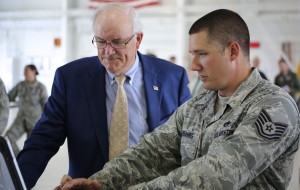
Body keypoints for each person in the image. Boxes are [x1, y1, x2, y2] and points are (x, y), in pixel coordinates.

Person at [56, 9, 300, 190]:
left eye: (202, 55)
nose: (193, 66)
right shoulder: (199, 105)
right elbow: (151, 152)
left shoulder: (274, 107)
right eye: (193, 55)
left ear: (233, 51)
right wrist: (99, 182)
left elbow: (218, 175)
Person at [17, 3, 191, 189]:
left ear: (138, 39)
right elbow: (43, 140)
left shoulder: (172, 78)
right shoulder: (71, 79)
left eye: (117, 42)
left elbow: (188, 142)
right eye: (100, 41)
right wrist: (14, 184)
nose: (108, 51)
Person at [5, 64, 48, 155]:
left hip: (35, 123)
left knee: (31, 146)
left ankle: (27, 163)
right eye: (24, 71)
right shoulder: (20, 85)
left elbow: (47, 107)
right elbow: (9, 97)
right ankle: (18, 160)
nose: (24, 73)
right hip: (20, 120)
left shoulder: (41, 88)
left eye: (27, 71)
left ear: (34, 72)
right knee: (8, 139)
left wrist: (46, 124)